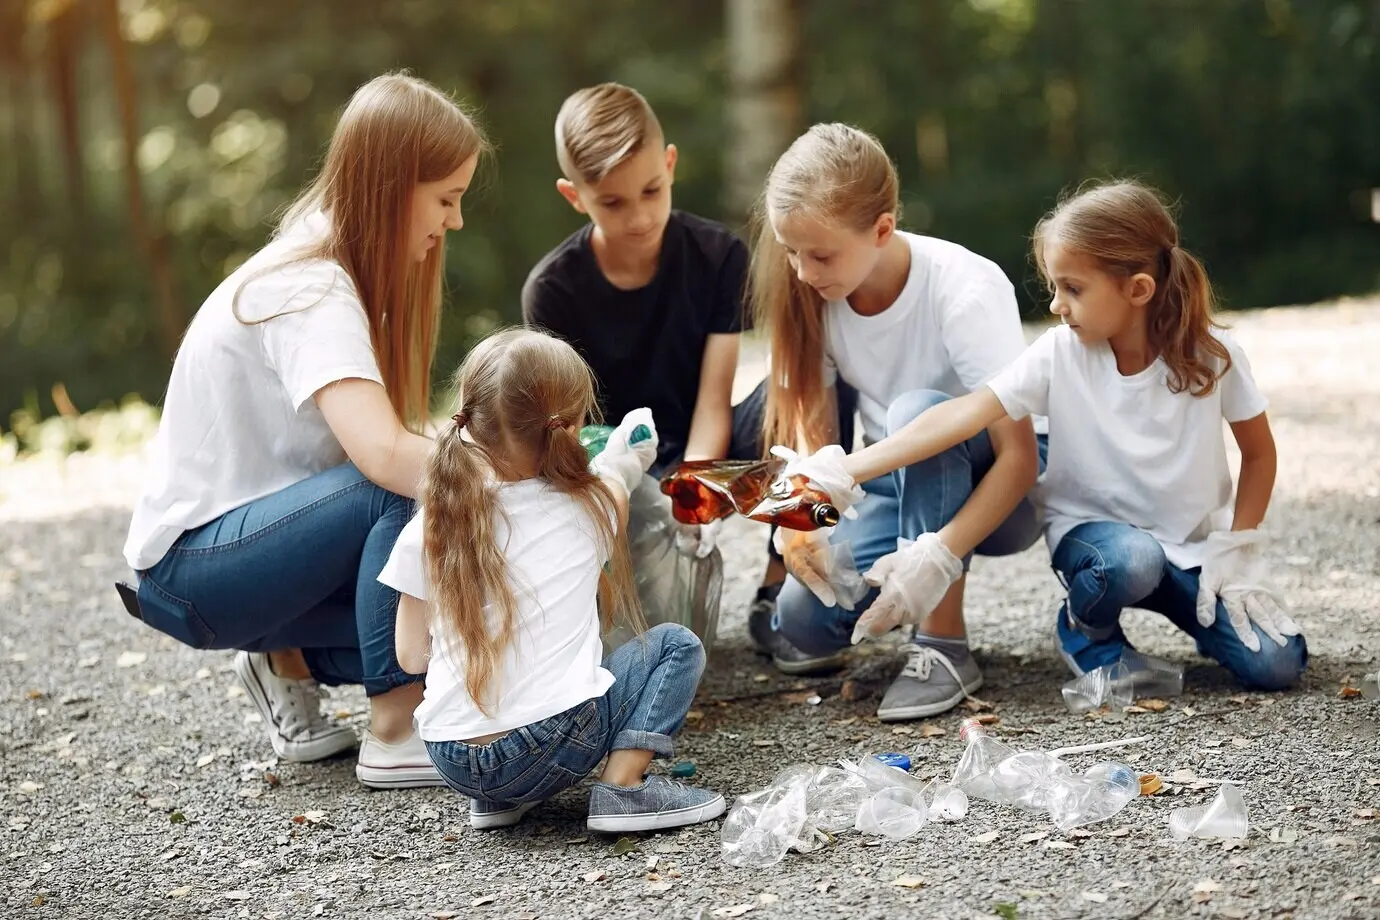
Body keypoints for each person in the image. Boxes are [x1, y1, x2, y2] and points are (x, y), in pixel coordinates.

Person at [117, 73, 487, 787]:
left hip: (251, 559)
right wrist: (510, 477)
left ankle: (285, 660)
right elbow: (383, 458)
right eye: (446, 198)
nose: (455, 221)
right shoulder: (310, 286)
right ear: (393, 184)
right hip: (193, 566)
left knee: (461, 629)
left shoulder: (329, 269)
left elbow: (381, 443)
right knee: (398, 488)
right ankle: (395, 730)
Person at [793, 180, 1307, 692]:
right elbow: (965, 414)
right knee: (1133, 559)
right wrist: (842, 469)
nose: (1057, 305)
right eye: (1055, 287)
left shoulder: (1215, 357)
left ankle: (1195, 618)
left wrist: (1237, 551)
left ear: (1139, 289)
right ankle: (1086, 632)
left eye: (1073, 289)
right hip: (1098, 544)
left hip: (1190, 551)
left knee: (1279, 665)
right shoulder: (1060, 352)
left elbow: (1259, 456)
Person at [521, 83, 855, 651]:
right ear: (574, 197)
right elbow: (567, 437)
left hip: (706, 444)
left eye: (652, 190)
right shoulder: (553, 290)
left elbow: (712, 397)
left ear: (670, 164)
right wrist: (639, 492)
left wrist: (694, 487)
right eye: (613, 203)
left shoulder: (718, 256)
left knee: (820, 386)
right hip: (615, 463)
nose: (640, 216)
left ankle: (779, 589)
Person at [748, 123, 1043, 719]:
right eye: (791, 251)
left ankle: (943, 644)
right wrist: (800, 520)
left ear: (883, 228)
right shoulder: (814, 292)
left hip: (1003, 495)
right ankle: (906, 596)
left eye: (820, 254)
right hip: (894, 483)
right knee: (803, 620)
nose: (803, 272)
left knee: (919, 410)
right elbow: (816, 442)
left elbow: (1020, 459)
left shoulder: (964, 289)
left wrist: (935, 559)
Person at [380, 328, 726, 832]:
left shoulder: (431, 524)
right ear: (570, 425)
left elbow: (411, 657)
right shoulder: (593, 504)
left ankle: (495, 800)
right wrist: (625, 457)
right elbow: (616, 478)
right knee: (675, 645)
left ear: (469, 420)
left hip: (449, 754)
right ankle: (625, 790)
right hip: (554, 743)